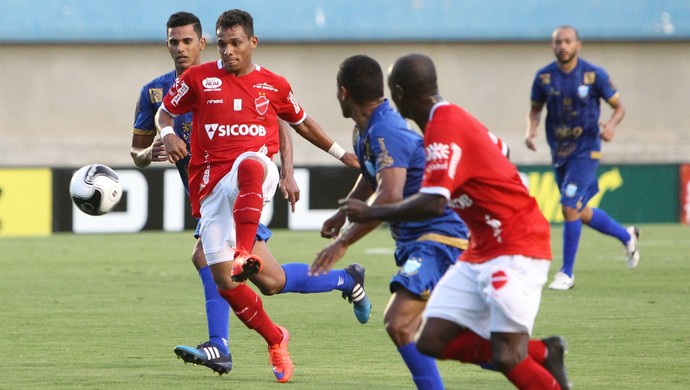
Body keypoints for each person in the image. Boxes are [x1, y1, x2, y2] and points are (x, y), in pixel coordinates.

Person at [133, 11, 370, 383]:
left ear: (252, 43)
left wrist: (342, 155)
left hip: (252, 178)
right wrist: (166, 135)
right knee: (246, 282)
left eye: (236, 43)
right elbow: (165, 114)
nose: (228, 51)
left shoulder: (272, 85)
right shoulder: (197, 79)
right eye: (223, 44)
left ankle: (220, 341)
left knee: (250, 165)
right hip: (211, 190)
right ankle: (281, 332)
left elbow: (300, 122)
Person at [340, 53, 571, 389]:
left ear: (400, 93)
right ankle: (543, 352)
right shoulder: (450, 120)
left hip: (517, 245)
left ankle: (538, 358)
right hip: (481, 247)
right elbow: (501, 150)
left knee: (508, 355)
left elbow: (434, 203)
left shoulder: (444, 127)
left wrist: (372, 212)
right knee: (429, 339)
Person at [310, 55, 470, 389]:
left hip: (439, 236)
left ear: (343, 93)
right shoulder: (366, 127)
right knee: (423, 331)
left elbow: (389, 195)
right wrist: (342, 214)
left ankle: (524, 355)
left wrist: (343, 243)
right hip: (419, 239)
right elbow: (373, 178)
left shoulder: (385, 130)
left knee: (399, 323)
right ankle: (528, 356)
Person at [525, 25, 639, 291]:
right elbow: (534, 109)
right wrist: (530, 131)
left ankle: (567, 273)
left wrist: (610, 125)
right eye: (557, 42)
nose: (562, 46)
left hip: (587, 149)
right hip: (560, 152)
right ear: (553, 46)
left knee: (568, 205)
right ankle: (627, 235)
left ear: (578, 45)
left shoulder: (593, 75)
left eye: (567, 41)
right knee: (580, 211)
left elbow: (619, 107)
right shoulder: (544, 77)